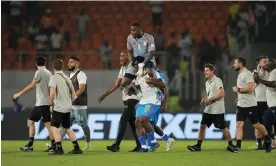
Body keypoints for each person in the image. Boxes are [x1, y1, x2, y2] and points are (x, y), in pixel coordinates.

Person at [187, 64, 238, 153]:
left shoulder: (217, 80)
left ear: (212, 71)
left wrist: (209, 99)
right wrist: (205, 100)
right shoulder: (207, 82)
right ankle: (198, 146)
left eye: (207, 70)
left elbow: (221, 93)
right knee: (202, 126)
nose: (205, 72)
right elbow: (211, 95)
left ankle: (230, 145)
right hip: (209, 109)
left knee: (223, 127)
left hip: (217, 109)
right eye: (204, 70)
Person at [98, 51, 141, 152]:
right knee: (132, 122)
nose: (120, 58)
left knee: (123, 119)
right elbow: (116, 84)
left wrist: (123, 85)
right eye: (120, 56)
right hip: (126, 98)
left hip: (133, 97)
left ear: (129, 58)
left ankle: (116, 145)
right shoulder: (122, 69)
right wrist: (104, 95)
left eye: (123, 56)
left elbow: (123, 82)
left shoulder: (132, 67)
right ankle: (140, 145)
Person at [13, 56, 54, 152]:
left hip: (43, 103)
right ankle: (30, 145)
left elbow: (32, 85)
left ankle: (54, 145)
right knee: (31, 121)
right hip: (41, 103)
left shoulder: (39, 72)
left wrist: (19, 93)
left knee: (48, 125)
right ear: (45, 63)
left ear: (36, 64)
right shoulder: (49, 73)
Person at [232, 57, 271, 152]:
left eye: (235, 63)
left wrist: (239, 90)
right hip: (241, 104)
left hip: (250, 105)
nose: (234, 65)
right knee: (239, 124)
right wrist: (239, 97)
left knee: (256, 125)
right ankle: (238, 146)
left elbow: (251, 88)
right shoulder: (241, 74)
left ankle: (268, 138)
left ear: (240, 64)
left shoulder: (247, 74)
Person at [128, 60, 165, 152]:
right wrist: (131, 88)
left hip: (152, 101)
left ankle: (153, 141)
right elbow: (134, 84)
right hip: (143, 101)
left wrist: (152, 81)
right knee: (137, 122)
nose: (135, 68)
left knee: (143, 119)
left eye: (137, 66)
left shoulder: (153, 74)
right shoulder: (138, 77)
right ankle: (144, 146)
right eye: (135, 66)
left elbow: (163, 85)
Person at [49, 59, 82, 155]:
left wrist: (51, 104)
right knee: (67, 128)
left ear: (53, 67)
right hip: (68, 107)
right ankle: (77, 148)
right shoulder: (67, 78)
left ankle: (59, 149)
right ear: (63, 67)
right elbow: (74, 95)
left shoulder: (54, 77)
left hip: (59, 107)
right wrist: (67, 102)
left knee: (54, 127)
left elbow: (52, 93)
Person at [150, 57, 175, 151]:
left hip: (156, 101)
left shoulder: (159, 75)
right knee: (149, 123)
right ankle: (167, 139)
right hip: (149, 101)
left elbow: (164, 90)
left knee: (149, 122)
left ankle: (151, 144)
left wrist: (163, 104)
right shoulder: (148, 73)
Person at [67, 56, 91, 151]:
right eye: (68, 62)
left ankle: (88, 145)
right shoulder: (69, 76)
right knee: (65, 125)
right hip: (71, 106)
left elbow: (81, 89)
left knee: (83, 125)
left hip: (79, 105)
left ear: (77, 63)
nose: (69, 64)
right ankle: (57, 143)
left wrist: (71, 98)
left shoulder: (81, 74)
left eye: (71, 62)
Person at [254, 58, 276, 153]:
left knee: (266, 123)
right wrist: (256, 72)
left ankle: (268, 144)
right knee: (268, 124)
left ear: (270, 66)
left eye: (267, 63)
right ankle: (270, 143)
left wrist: (260, 80)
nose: (265, 65)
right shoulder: (272, 73)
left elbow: (273, 84)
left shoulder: (275, 72)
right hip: (271, 104)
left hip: (274, 105)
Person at [253, 56, 270, 149]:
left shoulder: (271, 72)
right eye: (264, 62)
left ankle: (269, 141)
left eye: (267, 61)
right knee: (258, 124)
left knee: (269, 123)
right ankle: (259, 143)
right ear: (259, 64)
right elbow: (255, 82)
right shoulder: (255, 73)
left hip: (269, 101)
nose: (266, 63)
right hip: (258, 101)